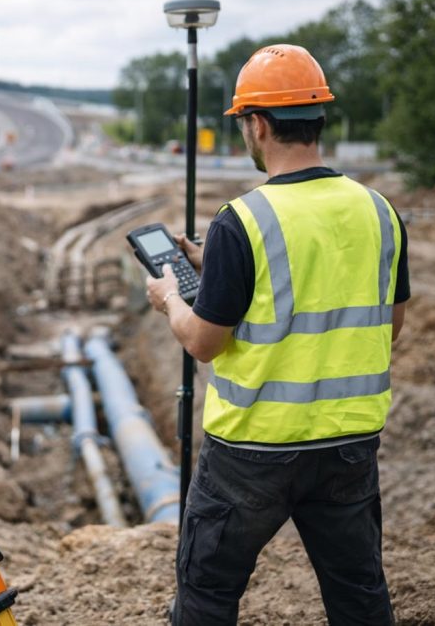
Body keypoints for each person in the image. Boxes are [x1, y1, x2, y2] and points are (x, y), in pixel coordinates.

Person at [146, 44, 409, 625]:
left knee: (207, 593)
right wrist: (219, 266)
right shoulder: (379, 211)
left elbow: (204, 343)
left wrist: (170, 299)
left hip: (251, 452)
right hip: (347, 445)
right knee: (359, 595)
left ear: (258, 124)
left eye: (244, 121)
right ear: (318, 118)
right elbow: (388, 324)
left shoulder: (242, 220)